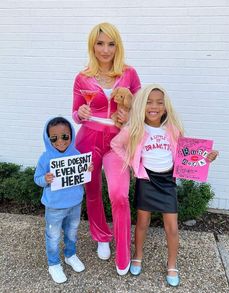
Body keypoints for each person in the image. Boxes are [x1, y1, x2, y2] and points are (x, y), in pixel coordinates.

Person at [111, 84, 218, 286]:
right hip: (147, 180)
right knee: (142, 223)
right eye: (149, 102)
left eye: (159, 102)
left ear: (166, 106)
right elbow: (115, 144)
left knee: (172, 227)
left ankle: (172, 264)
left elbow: (187, 154)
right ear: (141, 105)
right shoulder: (135, 128)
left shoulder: (173, 129)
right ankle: (138, 255)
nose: (154, 106)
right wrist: (133, 164)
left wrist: (206, 157)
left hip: (168, 182)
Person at [72, 22, 141, 275]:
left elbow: (141, 107)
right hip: (89, 137)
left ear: (117, 46)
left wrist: (129, 113)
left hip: (117, 140)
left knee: (120, 194)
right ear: (93, 45)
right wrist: (80, 113)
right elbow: (76, 114)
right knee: (92, 190)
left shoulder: (129, 73)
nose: (105, 49)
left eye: (111, 44)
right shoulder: (83, 77)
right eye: (100, 43)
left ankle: (124, 251)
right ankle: (101, 235)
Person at [34, 117, 93, 284]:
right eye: (54, 138)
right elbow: (37, 179)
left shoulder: (76, 154)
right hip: (54, 207)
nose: (60, 142)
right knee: (53, 236)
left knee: (72, 232)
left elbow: (80, 179)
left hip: (75, 203)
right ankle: (53, 264)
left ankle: (70, 255)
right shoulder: (45, 158)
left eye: (64, 136)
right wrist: (45, 179)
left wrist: (86, 170)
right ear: (48, 138)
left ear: (71, 135)